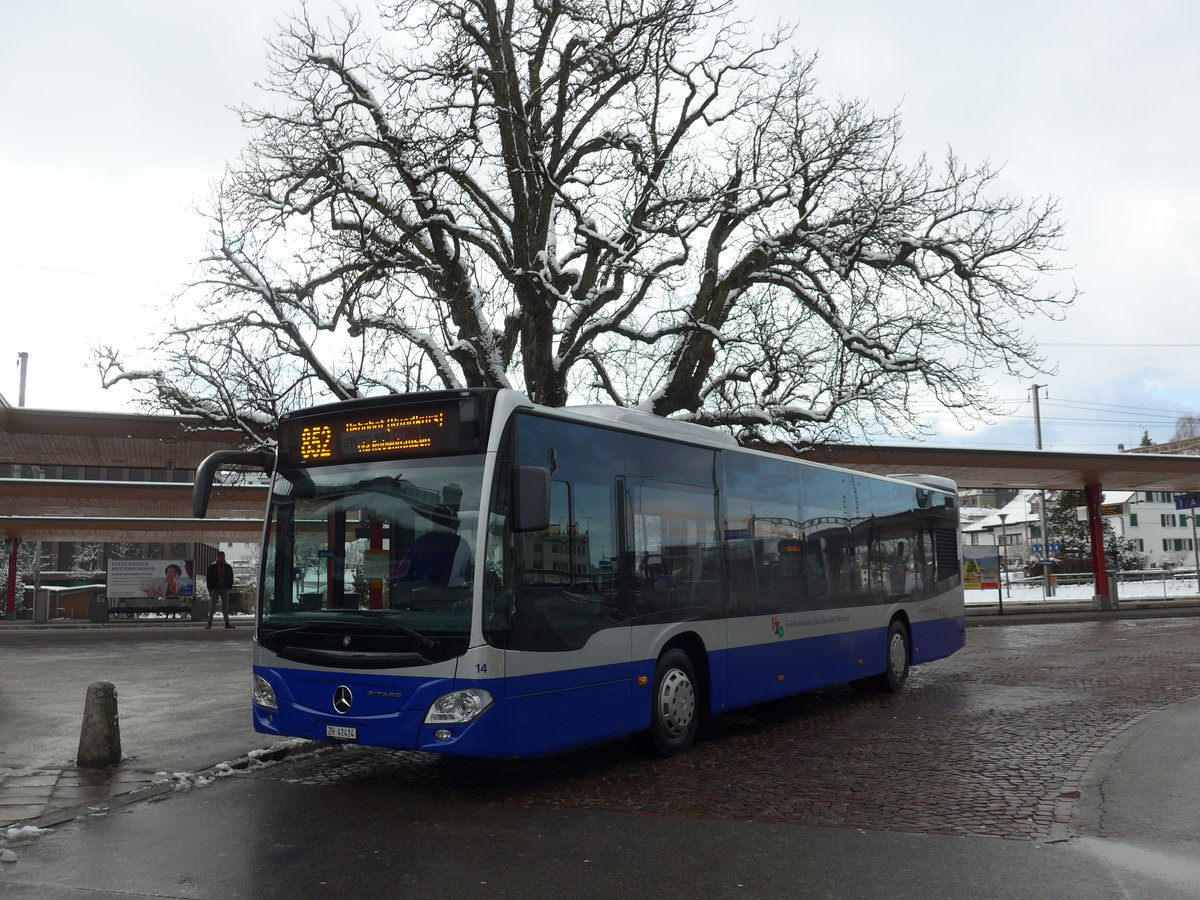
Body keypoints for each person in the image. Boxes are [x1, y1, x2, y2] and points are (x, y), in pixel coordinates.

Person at [205, 551, 236, 629]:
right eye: (221, 556)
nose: (222, 558)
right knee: (213, 606)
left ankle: (227, 623)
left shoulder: (228, 567)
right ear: (218, 557)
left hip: (225, 588)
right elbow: (208, 579)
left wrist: (229, 587)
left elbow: (231, 577)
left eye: (223, 556)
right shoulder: (212, 567)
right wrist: (210, 589)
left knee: (225, 606)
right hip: (215, 589)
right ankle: (209, 623)